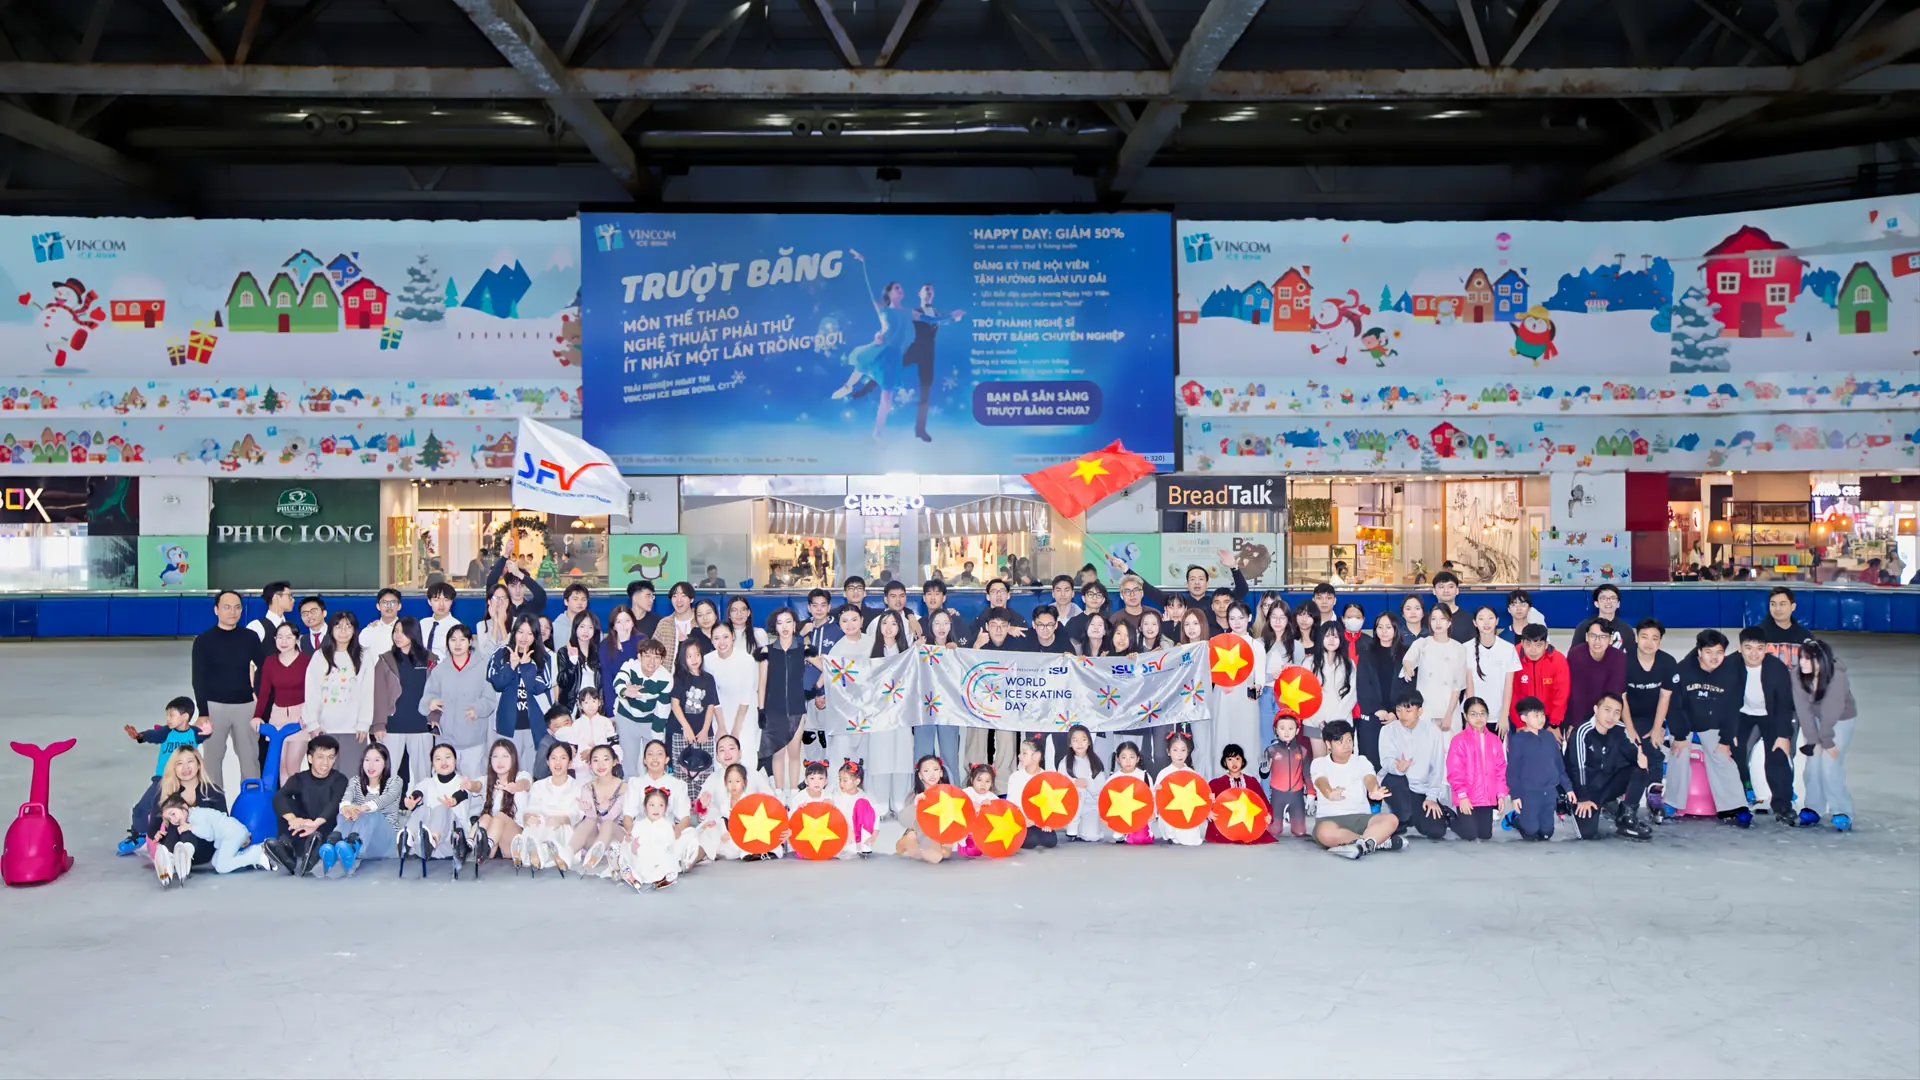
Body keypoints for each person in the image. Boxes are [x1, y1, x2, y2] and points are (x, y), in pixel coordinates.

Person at [1660, 630, 1751, 825]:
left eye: (1719, 652)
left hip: (1712, 723)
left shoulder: (1731, 673)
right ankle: (1672, 802)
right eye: (1709, 652)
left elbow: (1732, 707)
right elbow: (1675, 706)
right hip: (1685, 723)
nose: (1714, 657)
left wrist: (1726, 739)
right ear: (1699, 652)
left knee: (1722, 756)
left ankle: (1734, 806)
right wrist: (1680, 736)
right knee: (1680, 753)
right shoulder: (1683, 670)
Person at [194, 590, 260, 791]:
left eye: (237, 607)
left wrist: (258, 696)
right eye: (227, 607)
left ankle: (251, 801)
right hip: (214, 707)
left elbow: (265, 668)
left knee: (250, 758)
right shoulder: (204, 641)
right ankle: (214, 802)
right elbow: (198, 678)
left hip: (246, 706)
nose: (233, 612)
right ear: (216, 610)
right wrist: (203, 712)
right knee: (212, 759)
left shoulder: (250, 637)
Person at [1564, 694, 1654, 841]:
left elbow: (1631, 753)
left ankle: (1626, 818)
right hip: (1586, 789)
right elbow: (1577, 768)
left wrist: (1640, 758)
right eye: (1607, 710)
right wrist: (1583, 797)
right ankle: (1602, 805)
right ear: (1596, 709)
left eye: (1617, 712)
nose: (1611, 716)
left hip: (1607, 783)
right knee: (1587, 834)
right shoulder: (1582, 732)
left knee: (1640, 770)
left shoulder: (1619, 729)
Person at [1791, 637, 1857, 831]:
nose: (1802, 663)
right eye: (1801, 658)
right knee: (1813, 763)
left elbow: (1832, 709)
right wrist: (1813, 741)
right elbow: (1803, 710)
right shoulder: (1796, 674)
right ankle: (1813, 807)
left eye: (1808, 659)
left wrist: (1826, 741)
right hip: (1815, 718)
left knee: (1830, 764)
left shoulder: (1837, 676)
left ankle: (1841, 811)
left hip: (1840, 719)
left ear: (1822, 660)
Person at [1732, 625, 1797, 819]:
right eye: (1748, 648)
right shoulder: (1730, 665)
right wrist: (1728, 730)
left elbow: (1785, 705)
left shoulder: (1777, 669)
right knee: (1734, 752)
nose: (1754, 654)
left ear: (1767, 648)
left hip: (1771, 715)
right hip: (1742, 714)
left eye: (1759, 648)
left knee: (1777, 755)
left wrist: (1783, 735)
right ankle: (1737, 800)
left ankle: (1783, 806)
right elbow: (1724, 700)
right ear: (1740, 648)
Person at [1310, 719, 1400, 859]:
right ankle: (1375, 841)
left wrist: (1373, 790)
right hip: (1330, 819)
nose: (1346, 746)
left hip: (1362, 818)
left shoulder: (1361, 761)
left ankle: (1361, 843)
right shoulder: (1319, 763)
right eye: (1340, 742)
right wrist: (1330, 794)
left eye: (1349, 741)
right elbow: (1321, 781)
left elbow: (1369, 778)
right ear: (1328, 744)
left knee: (1391, 819)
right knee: (1324, 833)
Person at [305, 611, 375, 783]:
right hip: (325, 729)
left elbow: (367, 692)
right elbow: (311, 692)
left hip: (354, 730)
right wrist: (313, 724)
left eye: (348, 626)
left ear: (354, 630)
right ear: (331, 629)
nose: (343, 631)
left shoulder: (364, 656)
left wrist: (364, 723)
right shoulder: (320, 656)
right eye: (338, 626)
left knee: (353, 779)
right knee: (324, 779)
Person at [264, 734, 348, 876]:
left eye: (330, 757)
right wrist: (293, 819)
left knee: (335, 812)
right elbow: (278, 798)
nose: (325, 762)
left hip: (323, 830)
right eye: (320, 757)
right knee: (286, 801)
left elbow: (334, 803)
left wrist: (315, 823)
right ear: (310, 758)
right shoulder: (299, 778)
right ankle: (286, 849)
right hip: (301, 830)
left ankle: (314, 852)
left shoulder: (340, 780)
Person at [423, 625, 500, 778]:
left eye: (462, 640)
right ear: (447, 643)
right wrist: (430, 702)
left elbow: (490, 698)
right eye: (453, 640)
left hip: (473, 738)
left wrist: (477, 709)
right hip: (445, 740)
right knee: (446, 784)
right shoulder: (440, 670)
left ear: (470, 642)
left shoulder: (482, 667)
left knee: (473, 783)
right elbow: (427, 696)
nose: (457, 644)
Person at [125, 745, 227, 855]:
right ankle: (174, 857)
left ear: (198, 764)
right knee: (174, 817)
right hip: (173, 845)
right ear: (174, 769)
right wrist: (157, 834)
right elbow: (154, 825)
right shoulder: (165, 793)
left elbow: (224, 824)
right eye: (179, 764)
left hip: (204, 846)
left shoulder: (213, 792)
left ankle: (182, 855)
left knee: (190, 825)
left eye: (190, 762)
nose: (185, 767)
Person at [1377, 689, 1451, 841]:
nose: (1402, 715)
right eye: (1399, 710)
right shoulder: (1388, 730)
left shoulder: (1433, 731)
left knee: (1436, 830)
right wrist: (1397, 766)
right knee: (1396, 785)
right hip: (1397, 783)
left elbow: (1437, 768)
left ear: (1420, 711)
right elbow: (1385, 760)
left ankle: (1407, 817)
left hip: (1420, 789)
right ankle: (1402, 817)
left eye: (1408, 710)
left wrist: (1431, 797)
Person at [372, 617, 436, 786]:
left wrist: (435, 717)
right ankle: (387, 804)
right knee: (387, 775)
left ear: (413, 633)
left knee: (424, 776)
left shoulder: (430, 660)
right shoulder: (386, 660)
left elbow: (437, 692)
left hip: (421, 725)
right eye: (395, 631)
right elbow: (378, 694)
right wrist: (378, 724)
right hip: (393, 725)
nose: (397, 636)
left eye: (403, 632)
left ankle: (422, 803)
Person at [865, 610, 916, 814]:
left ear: (900, 628)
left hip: (901, 713)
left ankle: (899, 800)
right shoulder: (870, 652)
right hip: (878, 713)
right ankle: (878, 801)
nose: (888, 628)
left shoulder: (908, 653)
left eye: (893, 623)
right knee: (880, 753)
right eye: (884, 623)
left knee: (901, 753)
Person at [487, 614, 553, 767]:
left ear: (536, 636)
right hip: (508, 724)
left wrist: (526, 666)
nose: (524, 638)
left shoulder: (544, 657)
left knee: (533, 772)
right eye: (520, 632)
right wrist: (511, 666)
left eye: (529, 633)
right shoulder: (501, 653)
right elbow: (497, 683)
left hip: (536, 726)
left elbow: (539, 687)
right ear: (514, 632)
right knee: (509, 770)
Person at [398, 743, 476, 875]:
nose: (443, 762)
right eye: (438, 759)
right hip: (425, 848)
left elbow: (462, 794)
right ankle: (408, 838)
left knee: (442, 808)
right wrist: (412, 801)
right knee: (422, 809)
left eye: (448, 757)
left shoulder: (463, 781)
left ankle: (433, 839)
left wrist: (453, 800)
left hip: (452, 843)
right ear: (433, 764)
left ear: (455, 760)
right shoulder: (427, 783)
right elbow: (418, 793)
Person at [758, 609, 812, 790]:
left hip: (797, 708)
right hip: (774, 710)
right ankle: (779, 792)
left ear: (795, 624)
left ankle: (794, 791)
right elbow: (762, 683)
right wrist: (761, 710)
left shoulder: (804, 650)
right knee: (778, 753)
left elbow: (826, 668)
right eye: (780, 623)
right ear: (775, 627)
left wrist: (815, 689)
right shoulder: (767, 651)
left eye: (788, 621)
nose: (785, 626)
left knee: (795, 751)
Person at [1506, 698, 1572, 841]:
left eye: (1542, 714)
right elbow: (1513, 770)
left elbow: (1559, 764)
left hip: (1549, 790)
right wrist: (1515, 795)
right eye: (1536, 715)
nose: (1541, 719)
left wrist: (1568, 788)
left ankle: (1531, 821)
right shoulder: (1518, 740)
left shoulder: (1548, 737)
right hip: (1529, 792)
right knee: (1531, 833)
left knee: (1546, 833)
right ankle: (1517, 819)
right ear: (1524, 718)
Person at [1621, 619, 1676, 789]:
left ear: (1660, 641)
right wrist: (1629, 728)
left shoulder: (1668, 662)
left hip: (1653, 716)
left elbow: (1665, 697)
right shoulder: (1623, 661)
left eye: (1655, 638)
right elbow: (1622, 698)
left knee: (1654, 747)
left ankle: (1655, 790)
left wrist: (1657, 728)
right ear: (1637, 638)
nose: (1649, 643)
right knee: (1630, 747)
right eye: (1644, 637)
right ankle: (1625, 790)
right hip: (1627, 715)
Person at [1400, 606, 1471, 736]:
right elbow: (1408, 660)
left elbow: (1457, 687)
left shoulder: (1459, 649)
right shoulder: (1422, 643)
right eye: (1433, 619)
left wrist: (1449, 715)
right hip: (1425, 709)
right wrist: (1407, 667)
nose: (1438, 623)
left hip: (1448, 710)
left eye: (1442, 618)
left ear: (1449, 622)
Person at [1445, 697, 1509, 841]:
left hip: (1486, 799)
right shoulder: (1459, 740)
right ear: (1465, 716)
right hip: (1467, 797)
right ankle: (1449, 817)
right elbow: (1455, 772)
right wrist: (1462, 797)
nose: (1478, 718)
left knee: (1485, 835)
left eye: (1482, 713)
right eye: (1473, 714)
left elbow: (1500, 769)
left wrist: (1500, 795)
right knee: (1470, 835)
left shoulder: (1494, 740)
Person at [516, 742, 583, 873]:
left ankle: (539, 854)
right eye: (553, 758)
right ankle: (530, 852)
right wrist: (528, 816)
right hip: (541, 823)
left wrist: (561, 819)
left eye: (563, 758)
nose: (558, 762)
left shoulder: (577, 786)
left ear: (569, 763)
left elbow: (576, 813)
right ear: (547, 762)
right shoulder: (538, 785)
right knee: (533, 826)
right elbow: (532, 808)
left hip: (563, 826)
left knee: (553, 829)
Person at [1354, 611, 1405, 771]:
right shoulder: (1366, 652)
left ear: (1395, 629)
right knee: (1370, 763)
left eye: (1388, 627)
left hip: (1398, 717)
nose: (1384, 631)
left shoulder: (1406, 654)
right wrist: (1377, 709)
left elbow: (1409, 686)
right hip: (1373, 716)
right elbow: (1362, 684)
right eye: (1380, 627)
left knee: (1396, 762)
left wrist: (1396, 712)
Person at [337, 742, 404, 863]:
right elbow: (347, 797)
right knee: (344, 814)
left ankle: (352, 847)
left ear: (385, 763)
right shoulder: (355, 781)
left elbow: (387, 798)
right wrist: (346, 808)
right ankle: (334, 845)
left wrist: (363, 808)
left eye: (377, 760)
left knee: (372, 814)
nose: (371, 765)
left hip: (385, 842)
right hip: (364, 842)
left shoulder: (395, 781)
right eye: (367, 760)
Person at [1564, 619, 1626, 750]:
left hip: (1606, 716)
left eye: (1603, 637)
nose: (1597, 641)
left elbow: (1613, 694)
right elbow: (1576, 694)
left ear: (1610, 639)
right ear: (1587, 637)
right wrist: (1575, 725)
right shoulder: (1576, 655)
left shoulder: (1619, 658)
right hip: (1579, 715)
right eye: (1593, 636)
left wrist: (1603, 724)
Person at [470, 738, 531, 871]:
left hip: (515, 841)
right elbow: (477, 785)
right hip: (495, 843)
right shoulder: (487, 780)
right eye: (495, 756)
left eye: (505, 756)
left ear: (513, 758)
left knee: (500, 816)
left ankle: (485, 846)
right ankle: (469, 846)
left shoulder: (521, 776)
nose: (500, 761)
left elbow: (525, 784)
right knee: (486, 817)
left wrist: (514, 787)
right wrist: (469, 785)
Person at [124, 695, 211, 782]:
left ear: (185, 717)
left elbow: (202, 736)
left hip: (186, 777)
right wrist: (139, 736)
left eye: (171, 715)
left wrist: (208, 732)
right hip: (164, 778)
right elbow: (153, 735)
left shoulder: (194, 732)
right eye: (167, 716)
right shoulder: (166, 732)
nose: (168, 719)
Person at [1306, 620, 1358, 758]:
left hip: (1341, 721)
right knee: (1319, 761)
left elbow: (1352, 694)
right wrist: (1319, 720)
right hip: (1315, 721)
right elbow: (1304, 695)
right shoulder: (1309, 663)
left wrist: (1335, 720)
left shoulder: (1349, 663)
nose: (1331, 640)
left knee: (1340, 762)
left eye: (1335, 636)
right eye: (1327, 636)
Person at [1465, 606, 1521, 734]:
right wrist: (1471, 716)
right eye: (1481, 619)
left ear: (1497, 621)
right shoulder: (1466, 648)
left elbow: (1508, 685)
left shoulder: (1508, 648)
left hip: (1498, 715)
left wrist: (1504, 715)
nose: (1486, 623)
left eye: (1490, 618)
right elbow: (1469, 687)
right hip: (1475, 716)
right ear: (1474, 622)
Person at [1261, 710, 1313, 840]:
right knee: (1274, 830)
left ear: (1297, 730)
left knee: (1300, 832)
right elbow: (1263, 775)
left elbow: (1307, 774)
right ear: (1276, 730)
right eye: (1282, 728)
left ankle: (1294, 821)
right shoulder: (1271, 750)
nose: (1286, 732)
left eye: (1291, 728)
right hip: (1277, 795)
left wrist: (1311, 794)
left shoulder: (1303, 751)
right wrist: (1265, 768)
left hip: (1297, 795)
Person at [1151, 731, 1207, 846]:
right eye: (1175, 750)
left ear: (1188, 752)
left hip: (1186, 812)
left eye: (1183, 750)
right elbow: (1156, 798)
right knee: (1174, 831)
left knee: (1191, 838)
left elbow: (1198, 796)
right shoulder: (1163, 773)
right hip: (1169, 812)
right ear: (1168, 752)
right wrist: (1157, 795)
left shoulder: (1191, 773)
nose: (1179, 754)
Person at [1513, 623, 1570, 734]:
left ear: (1546, 645)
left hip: (1548, 717)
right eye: (1528, 644)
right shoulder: (1513, 657)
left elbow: (1561, 696)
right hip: (1522, 717)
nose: (1533, 650)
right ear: (1522, 643)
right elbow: (1512, 694)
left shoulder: (1558, 661)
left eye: (1538, 645)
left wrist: (1554, 724)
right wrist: (1519, 724)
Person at [1006, 738, 1057, 850]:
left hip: (1039, 822)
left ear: (1036, 756)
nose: (1019, 756)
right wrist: (1022, 819)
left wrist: (1047, 822)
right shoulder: (1015, 777)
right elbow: (1011, 804)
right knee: (1031, 841)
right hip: (1021, 821)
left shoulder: (1047, 777)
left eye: (1024, 753)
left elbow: (1051, 804)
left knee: (1050, 840)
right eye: (1020, 752)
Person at [1057, 725, 1105, 842]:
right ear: (1070, 743)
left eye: (1083, 739)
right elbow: (1061, 787)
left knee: (1091, 836)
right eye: (1075, 740)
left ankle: (1082, 826)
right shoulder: (1064, 763)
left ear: (1089, 742)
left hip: (1090, 806)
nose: (1079, 744)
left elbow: (1100, 790)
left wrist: (1087, 783)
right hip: (1071, 807)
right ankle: (1072, 824)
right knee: (1079, 789)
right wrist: (1075, 783)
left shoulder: (1096, 763)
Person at [1747, 586, 1814, 668]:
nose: (1777, 608)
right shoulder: (1756, 634)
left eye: (1782, 604)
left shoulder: (1805, 636)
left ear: (1793, 607)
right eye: (1773, 604)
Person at [555, 609, 604, 716]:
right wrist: (572, 663)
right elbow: (562, 682)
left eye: (590, 627)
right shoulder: (564, 652)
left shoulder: (600, 653)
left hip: (595, 706)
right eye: (582, 626)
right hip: (572, 706)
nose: (586, 631)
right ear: (575, 628)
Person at [486, 554, 549, 624]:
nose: (517, 590)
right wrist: (505, 556)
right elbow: (490, 583)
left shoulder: (532, 607)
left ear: (526, 586)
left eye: (521, 586)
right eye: (513, 586)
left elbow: (541, 595)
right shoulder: (501, 606)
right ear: (507, 587)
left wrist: (519, 574)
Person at [1573, 584, 1631, 651]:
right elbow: (1574, 653)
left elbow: (1631, 654)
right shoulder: (1584, 626)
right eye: (1603, 598)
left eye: (1612, 598)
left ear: (1618, 604)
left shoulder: (1626, 629)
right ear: (1596, 603)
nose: (1608, 601)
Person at [1426, 571, 1477, 643]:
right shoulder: (1426, 619)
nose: (1446, 590)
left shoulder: (1469, 619)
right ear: (1434, 591)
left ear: (1457, 590)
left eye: (1450, 587)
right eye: (1441, 587)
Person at [246, 580, 294, 655]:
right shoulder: (256, 627)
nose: (293, 600)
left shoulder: (291, 627)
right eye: (289, 596)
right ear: (276, 597)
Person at [360, 588, 404, 656]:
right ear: (378, 606)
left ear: (399, 606)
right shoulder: (369, 631)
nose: (389, 606)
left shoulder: (407, 630)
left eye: (393, 602)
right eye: (384, 603)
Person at [552, 583, 590, 649]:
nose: (580, 603)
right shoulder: (554, 627)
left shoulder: (592, 626)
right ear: (566, 602)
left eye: (583, 599)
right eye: (575, 599)